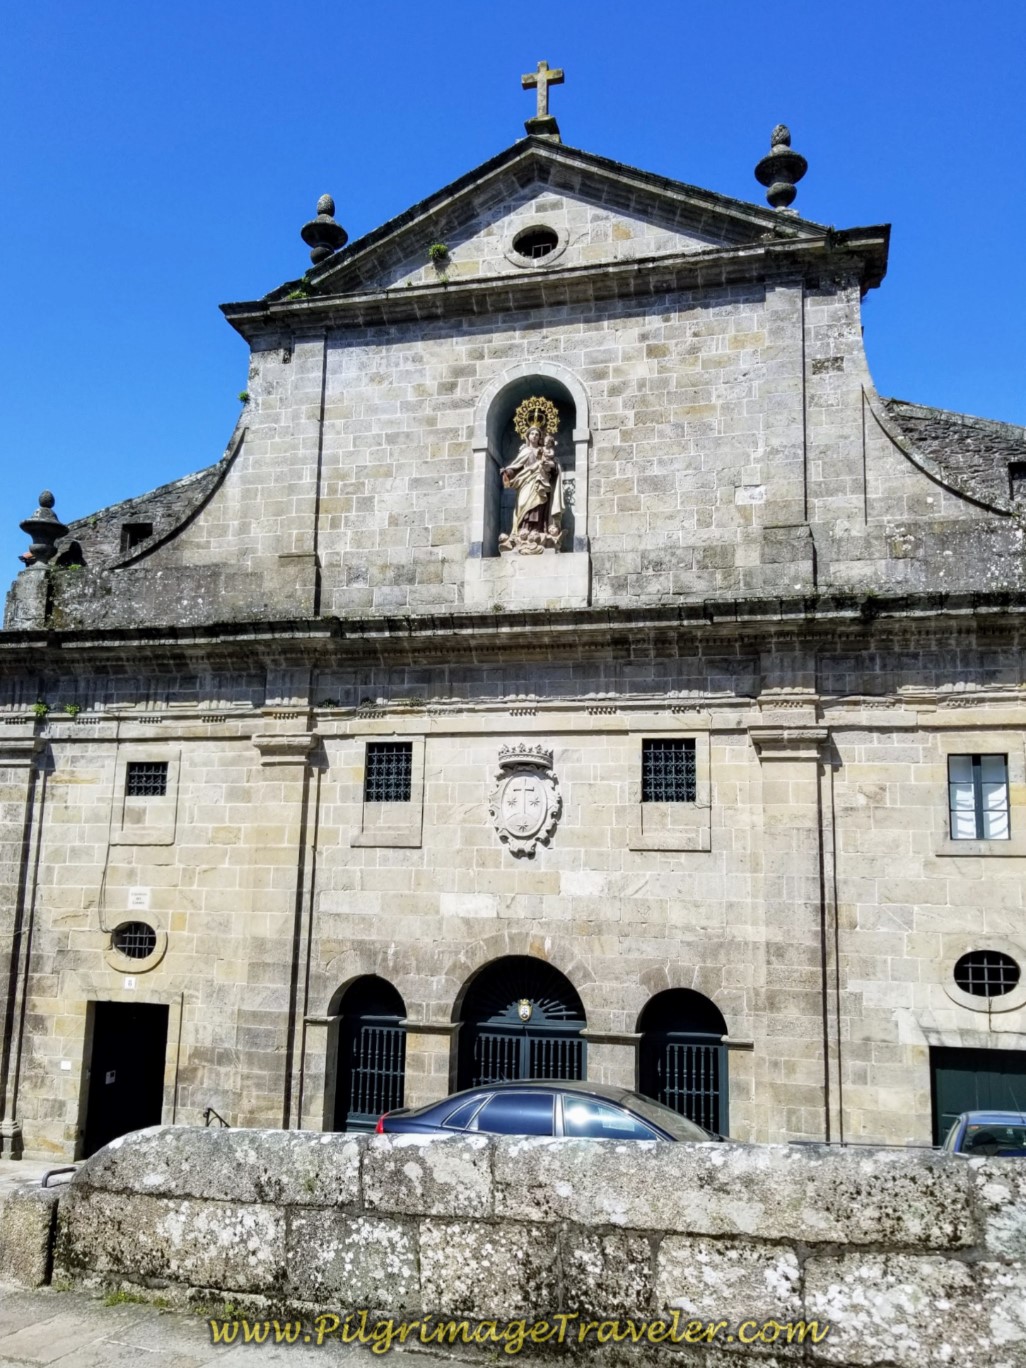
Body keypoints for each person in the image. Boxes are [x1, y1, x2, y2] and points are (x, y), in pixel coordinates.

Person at [502, 426, 564, 542]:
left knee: (539, 505)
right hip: (526, 481)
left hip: (541, 481)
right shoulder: (525, 451)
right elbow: (516, 466)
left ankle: (538, 530)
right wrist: (507, 472)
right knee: (522, 504)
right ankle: (522, 530)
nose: (534, 436)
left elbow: (554, 465)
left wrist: (551, 466)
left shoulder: (543, 450)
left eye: (537, 434)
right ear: (528, 436)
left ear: (540, 437)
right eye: (532, 434)